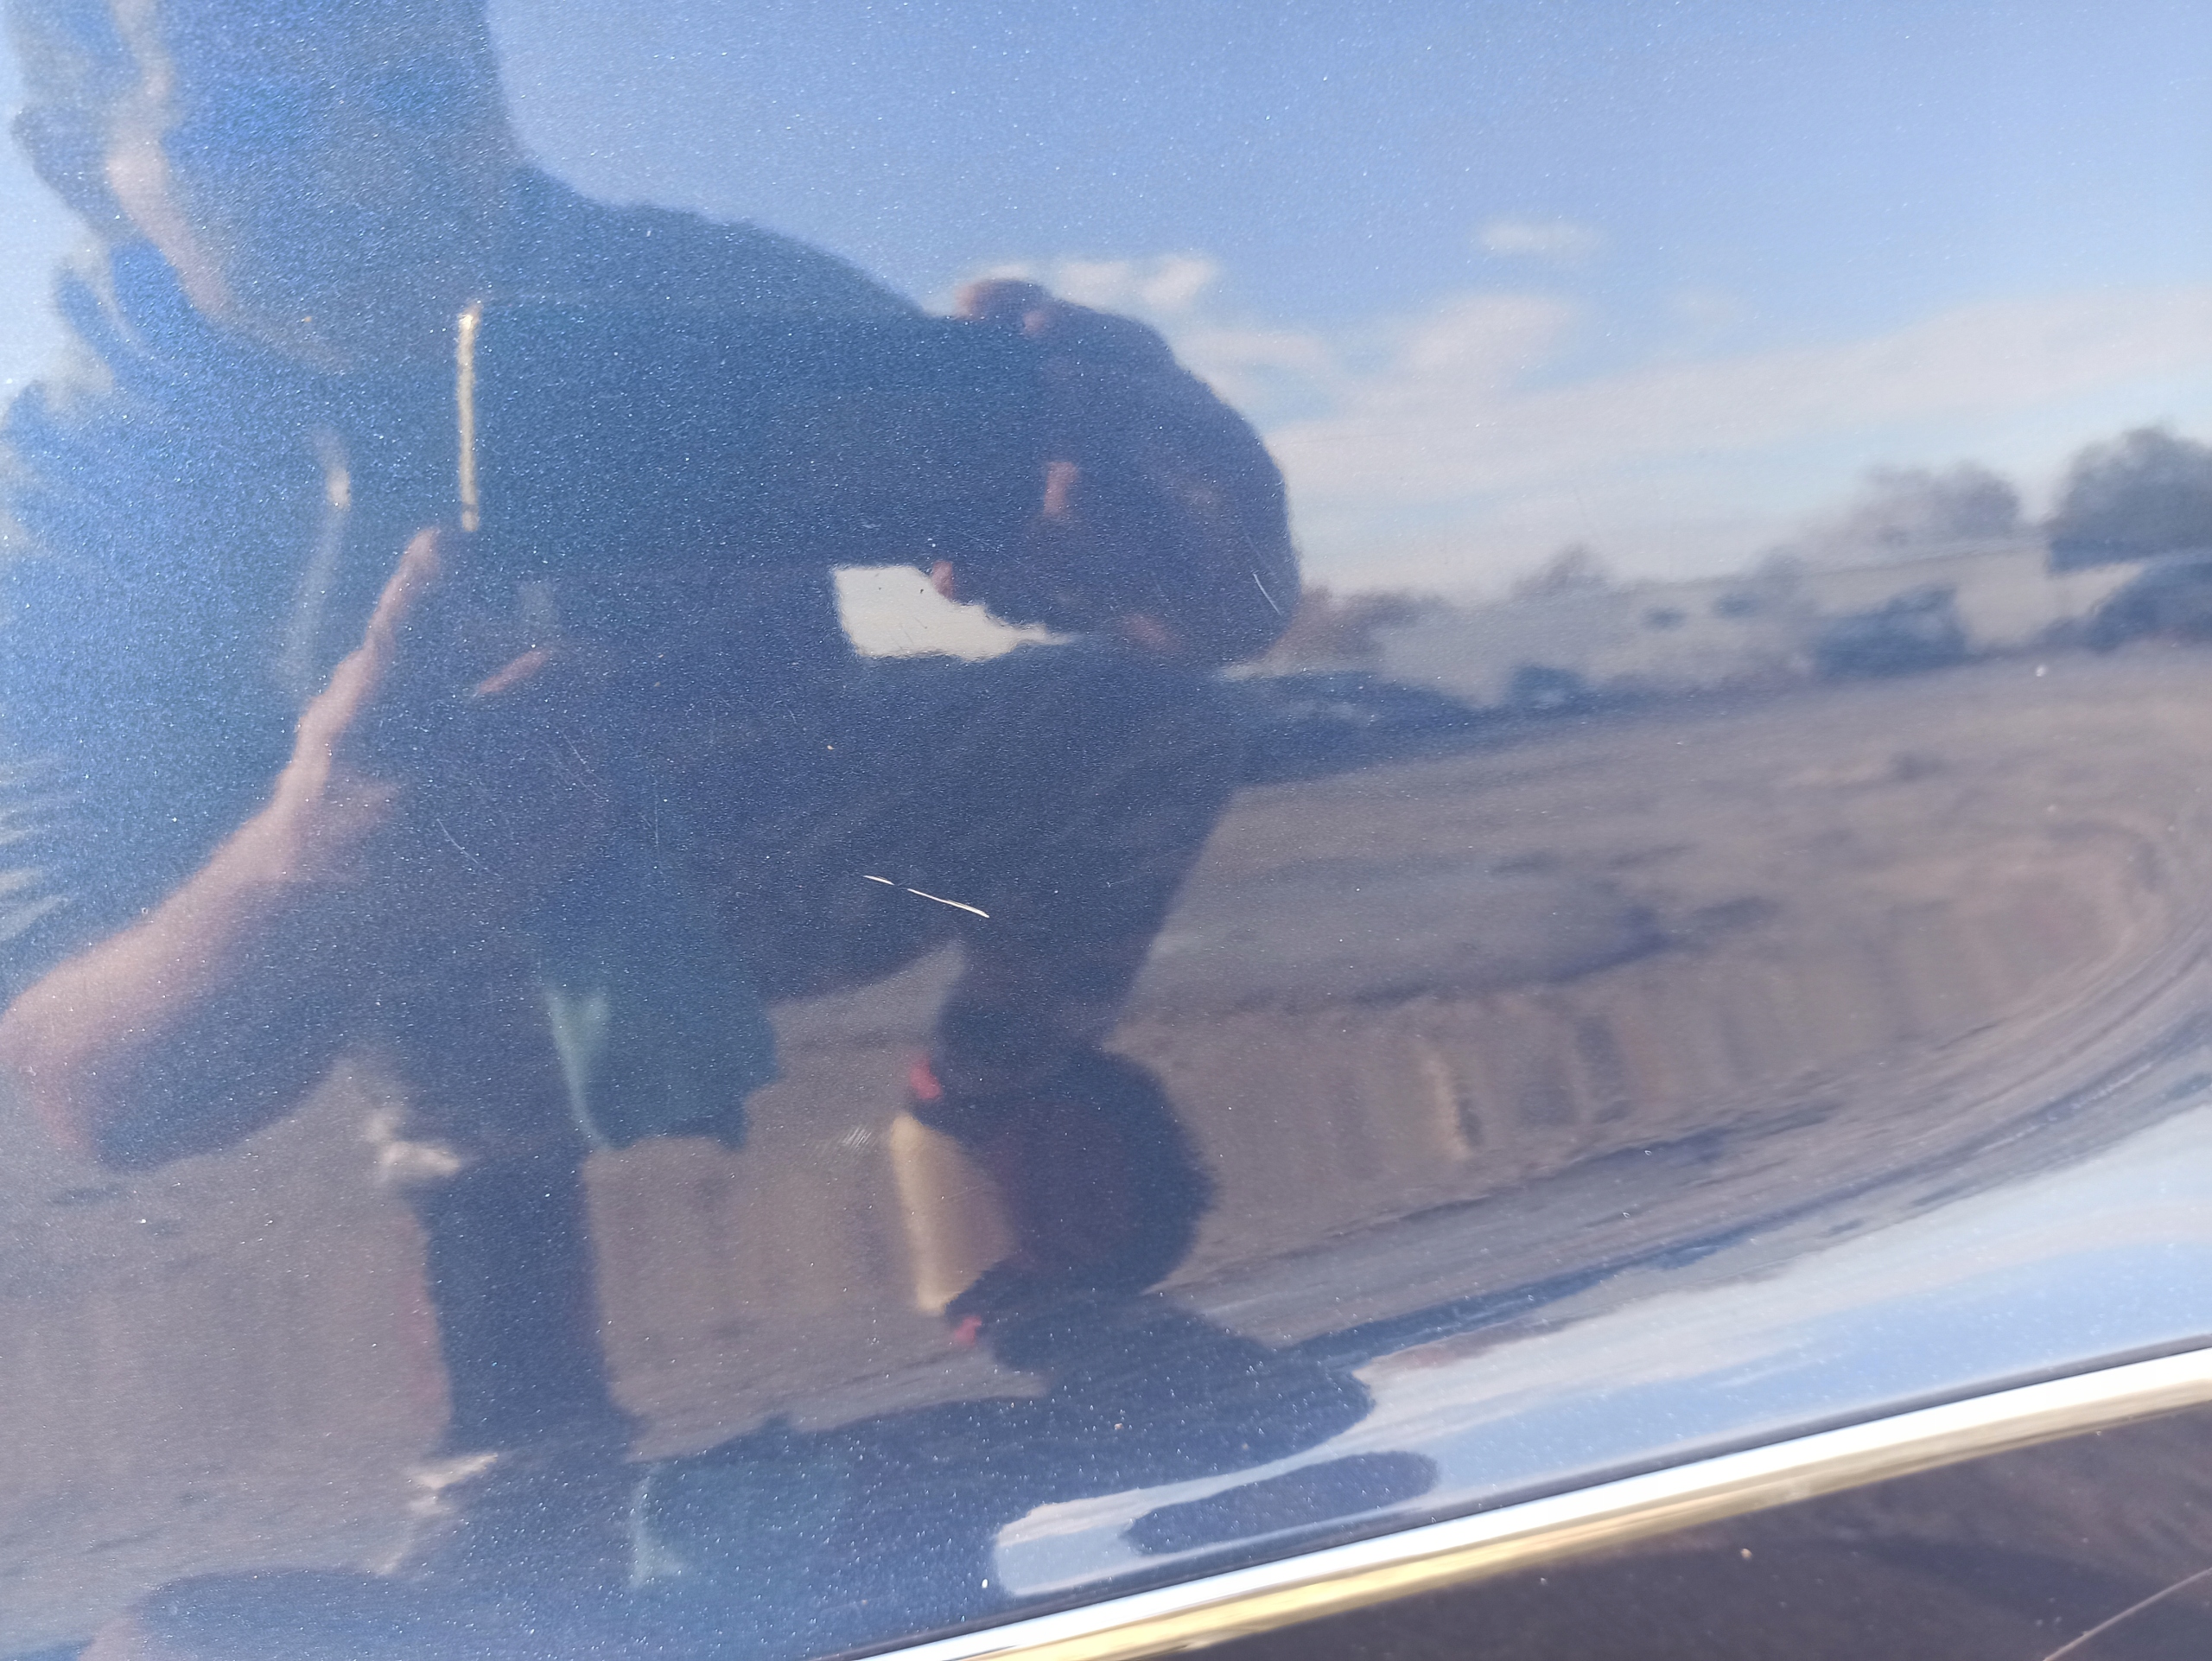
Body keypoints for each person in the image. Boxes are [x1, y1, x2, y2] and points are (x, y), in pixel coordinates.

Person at [0, 0, 1293, 1594]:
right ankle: (516, 1420)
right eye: (250, 124)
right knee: (490, 1537)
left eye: (418, 90)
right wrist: (314, 868)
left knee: (1140, 726)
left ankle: (988, 1113)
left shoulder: (701, 298)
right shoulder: (75, 501)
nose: (366, 173)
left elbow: (1131, 592)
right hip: (457, 961)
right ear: (78, 164)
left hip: (785, 836)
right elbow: (93, 1082)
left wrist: (1208, 543)